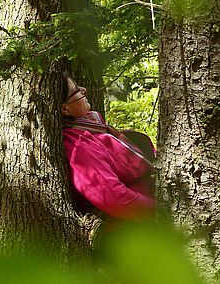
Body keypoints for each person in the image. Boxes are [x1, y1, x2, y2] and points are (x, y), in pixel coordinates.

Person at [61, 73, 156, 231]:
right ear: (64, 108)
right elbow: (112, 196)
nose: (83, 90)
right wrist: (160, 210)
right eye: (76, 90)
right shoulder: (78, 145)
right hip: (139, 226)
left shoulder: (91, 125)